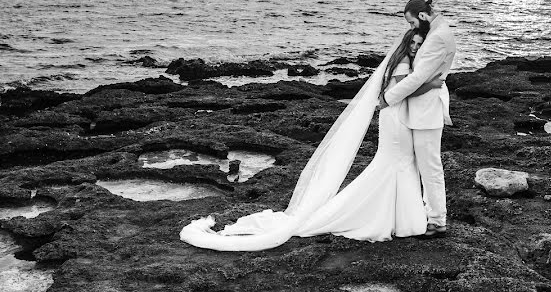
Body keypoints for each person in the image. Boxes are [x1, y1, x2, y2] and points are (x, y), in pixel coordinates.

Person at [179, 15, 445, 251]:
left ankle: (401, 218)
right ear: (405, 44)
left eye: (420, 45)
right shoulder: (401, 66)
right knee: (395, 165)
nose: (416, 48)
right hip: (396, 120)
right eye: (413, 44)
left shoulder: (409, 65)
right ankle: (390, 218)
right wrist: (432, 82)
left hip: (399, 119)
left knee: (400, 166)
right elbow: (400, 93)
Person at [378, 0, 456, 238]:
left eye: (412, 22)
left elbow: (416, 78)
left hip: (426, 113)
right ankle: (429, 216)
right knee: (425, 167)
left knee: (430, 168)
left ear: (422, 16)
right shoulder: (437, 32)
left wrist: (387, 99)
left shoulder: (437, 38)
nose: (412, 29)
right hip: (421, 111)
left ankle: (437, 221)